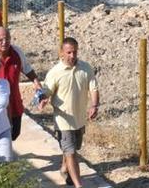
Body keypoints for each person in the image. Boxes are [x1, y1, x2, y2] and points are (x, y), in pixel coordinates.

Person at [40, 37, 99, 187]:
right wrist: (43, 98)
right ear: (61, 53)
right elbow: (46, 91)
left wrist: (94, 105)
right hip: (63, 120)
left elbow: (93, 88)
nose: (72, 56)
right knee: (71, 152)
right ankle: (78, 184)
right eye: (69, 52)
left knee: (75, 148)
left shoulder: (85, 68)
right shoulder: (55, 72)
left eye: (75, 52)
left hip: (79, 119)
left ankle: (65, 167)